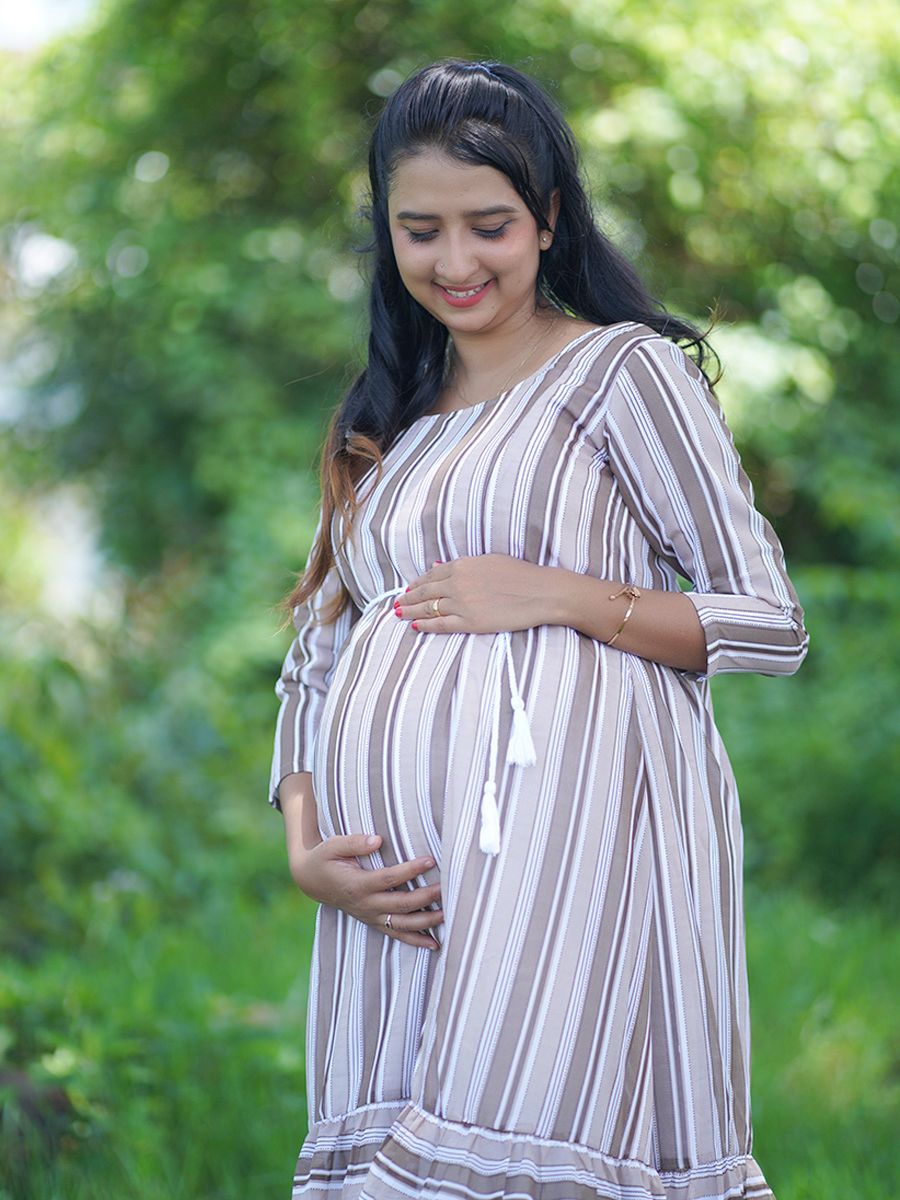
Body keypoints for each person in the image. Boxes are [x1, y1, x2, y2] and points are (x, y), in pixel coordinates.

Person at [268, 58, 808, 1200]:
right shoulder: (389, 417)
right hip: (396, 901)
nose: (454, 263)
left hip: (575, 863)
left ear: (549, 218)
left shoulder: (625, 375)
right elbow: (317, 652)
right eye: (420, 231)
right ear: (388, 235)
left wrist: (559, 594)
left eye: (489, 226)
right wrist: (307, 843)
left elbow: (768, 621)